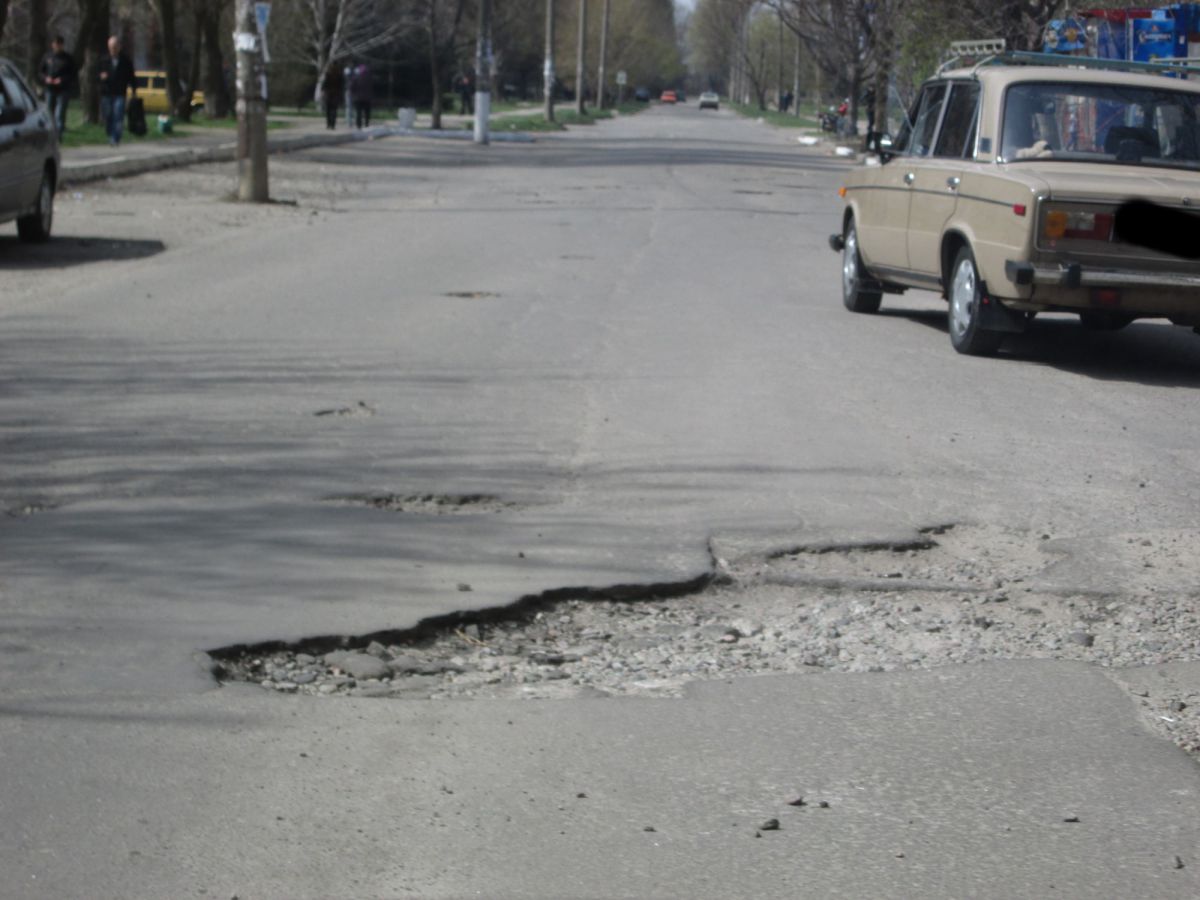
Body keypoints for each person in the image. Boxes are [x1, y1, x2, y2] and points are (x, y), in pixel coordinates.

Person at [97, 35, 135, 145]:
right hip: (106, 92)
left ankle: (115, 137)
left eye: (115, 46)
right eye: (111, 47)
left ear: (119, 47)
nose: (113, 49)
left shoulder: (125, 61)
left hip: (120, 93)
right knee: (108, 115)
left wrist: (133, 90)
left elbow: (131, 76)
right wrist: (100, 77)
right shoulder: (103, 60)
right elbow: (95, 75)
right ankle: (110, 133)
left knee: (118, 115)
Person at [39, 34, 76, 138]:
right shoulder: (47, 57)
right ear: (53, 45)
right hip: (50, 88)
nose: (57, 46)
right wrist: (46, 79)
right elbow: (41, 72)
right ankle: (50, 134)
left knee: (59, 113)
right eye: (55, 44)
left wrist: (62, 80)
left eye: (59, 44)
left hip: (63, 89)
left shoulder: (68, 58)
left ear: (62, 45)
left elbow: (72, 74)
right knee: (49, 112)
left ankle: (58, 135)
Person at [321, 62, 343, 130]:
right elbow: (341, 86)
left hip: (328, 94)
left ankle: (328, 124)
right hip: (335, 94)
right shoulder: (339, 75)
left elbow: (324, 85)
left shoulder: (328, 74)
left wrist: (323, 91)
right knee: (334, 110)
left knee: (328, 110)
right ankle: (333, 124)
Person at [350, 63, 373, 129]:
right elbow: (371, 88)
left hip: (357, 98)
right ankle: (366, 124)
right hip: (367, 98)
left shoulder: (356, 77)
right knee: (367, 113)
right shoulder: (369, 78)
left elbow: (352, 87)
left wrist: (353, 94)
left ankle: (359, 125)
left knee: (358, 113)